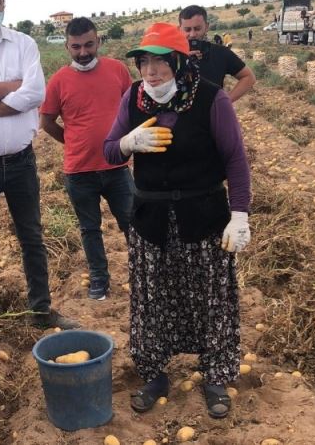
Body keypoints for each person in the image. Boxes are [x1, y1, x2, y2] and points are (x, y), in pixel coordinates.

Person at [103, 23, 251, 419]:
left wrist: (239, 214)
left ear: (180, 63)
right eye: (144, 63)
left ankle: (215, 375)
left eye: (161, 63)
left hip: (202, 215)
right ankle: (154, 373)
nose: (150, 72)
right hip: (151, 219)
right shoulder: (133, 99)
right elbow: (109, 151)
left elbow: (236, 160)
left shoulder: (211, 99)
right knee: (151, 298)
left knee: (211, 297)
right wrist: (127, 143)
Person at [0, 0, 79, 330]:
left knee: (32, 237)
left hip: (22, 161)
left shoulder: (23, 44)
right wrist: (11, 86)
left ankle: (40, 310)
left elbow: (35, 93)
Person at [40, 17, 133, 301]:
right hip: (79, 171)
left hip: (117, 167)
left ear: (98, 42)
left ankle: (143, 271)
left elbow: (132, 108)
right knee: (90, 229)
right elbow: (47, 122)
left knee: (132, 222)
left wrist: (126, 142)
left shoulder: (117, 70)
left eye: (89, 45)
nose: (83, 52)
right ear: (67, 46)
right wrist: (73, 141)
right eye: (76, 47)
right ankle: (99, 280)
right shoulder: (58, 81)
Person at [179, 6, 256, 102]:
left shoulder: (221, 52)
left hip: (213, 111)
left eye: (197, 28)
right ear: (179, 29)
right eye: (187, 30)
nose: (193, 34)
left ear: (206, 27)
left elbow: (248, 77)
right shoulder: (171, 55)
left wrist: (224, 102)